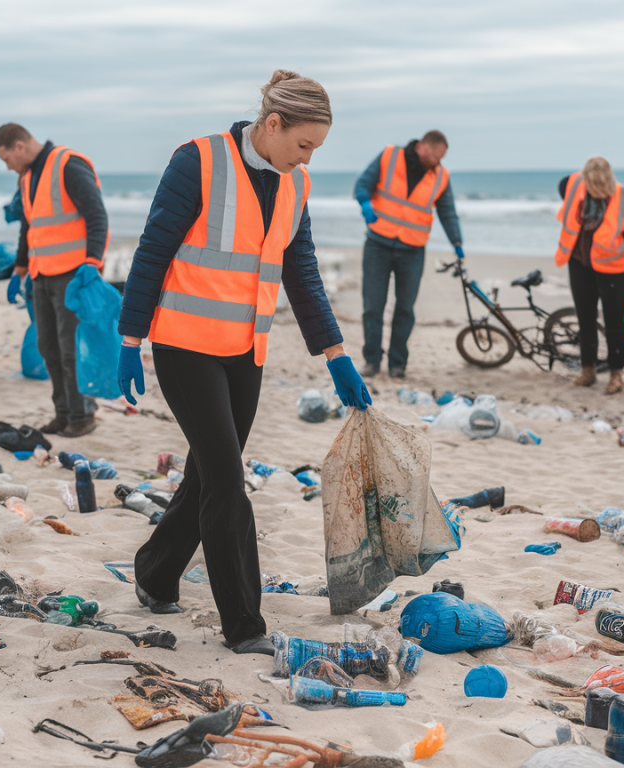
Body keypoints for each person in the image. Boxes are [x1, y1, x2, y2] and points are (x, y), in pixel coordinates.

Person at [116, 70, 371, 656]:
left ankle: (155, 573)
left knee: (209, 472)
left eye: (316, 150)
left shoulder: (294, 184)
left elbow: (301, 274)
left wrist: (335, 355)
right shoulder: (197, 161)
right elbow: (153, 250)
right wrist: (130, 337)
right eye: (303, 145)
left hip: (245, 351)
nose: (308, 158)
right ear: (273, 124)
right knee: (229, 480)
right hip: (183, 346)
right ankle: (244, 625)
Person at [0, 123, 109, 438]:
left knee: (72, 349)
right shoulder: (28, 176)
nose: (8, 166)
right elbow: (28, 228)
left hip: (74, 274)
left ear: (19, 146)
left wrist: (92, 263)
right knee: (49, 347)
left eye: (7, 159)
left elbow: (97, 216)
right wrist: (19, 269)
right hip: (41, 275)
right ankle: (64, 413)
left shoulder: (68, 165)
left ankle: (82, 415)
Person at [354, 131, 464, 378]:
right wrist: (365, 204)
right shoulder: (390, 156)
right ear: (423, 147)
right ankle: (371, 361)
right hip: (377, 245)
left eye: (442, 158)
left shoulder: (440, 176)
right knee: (373, 306)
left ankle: (397, 364)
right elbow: (363, 184)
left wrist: (457, 242)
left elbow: (447, 212)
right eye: (435, 155)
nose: (438, 161)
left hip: (413, 250)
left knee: (405, 309)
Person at [555, 157, 624, 394]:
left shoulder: (621, 199)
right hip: (580, 264)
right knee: (586, 319)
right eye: (594, 185)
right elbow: (565, 186)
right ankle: (587, 372)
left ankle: (616, 375)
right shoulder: (572, 186)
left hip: (612, 269)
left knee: (614, 322)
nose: (599, 191)